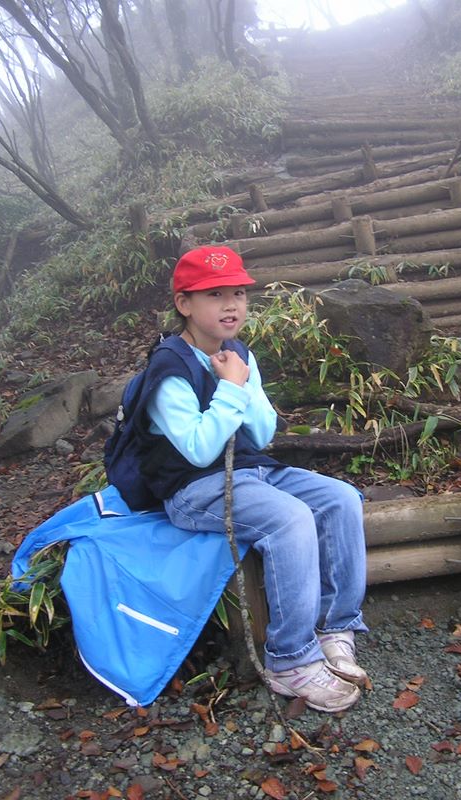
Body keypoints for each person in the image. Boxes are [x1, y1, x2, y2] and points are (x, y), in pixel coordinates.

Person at [143, 245, 368, 713]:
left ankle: (335, 627)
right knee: (288, 519)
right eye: (215, 294)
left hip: (251, 469)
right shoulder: (168, 368)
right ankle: (289, 660)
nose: (232, 305)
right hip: (191, 489)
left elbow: (263, 433)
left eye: (239, 294)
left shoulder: (239, 353)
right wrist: (230, 388)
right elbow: (200, 449)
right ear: (184, 304)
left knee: (340, 498)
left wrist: (242, 382)